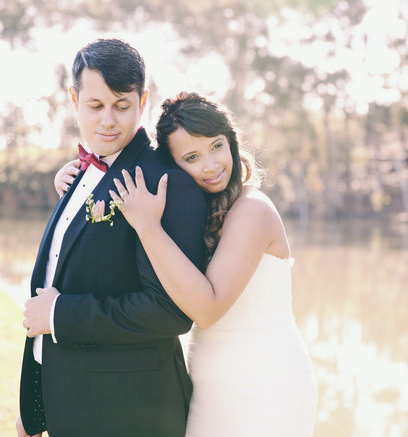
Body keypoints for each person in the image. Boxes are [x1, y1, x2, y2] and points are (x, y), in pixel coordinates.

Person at [54, 91, 318, 436]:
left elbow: (207, 309)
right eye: (192, 157)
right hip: (206, 385)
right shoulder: (199, 211)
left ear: (232, 142)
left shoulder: (253, 210)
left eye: (217, 146)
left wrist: (147, 227)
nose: (210, 165)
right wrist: (78, 185)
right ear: (173, 166)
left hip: (264, 385)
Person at [17, 39, 207, 437]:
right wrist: (36, 402)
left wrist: (58, 315)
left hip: (130, 411)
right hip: (66, 397)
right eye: (95, 106)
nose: (108, 121)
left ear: (143, 101)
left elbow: (170, 311)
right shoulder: (80, 171)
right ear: (74, 98)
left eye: (122, 106)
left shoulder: (166, 183)